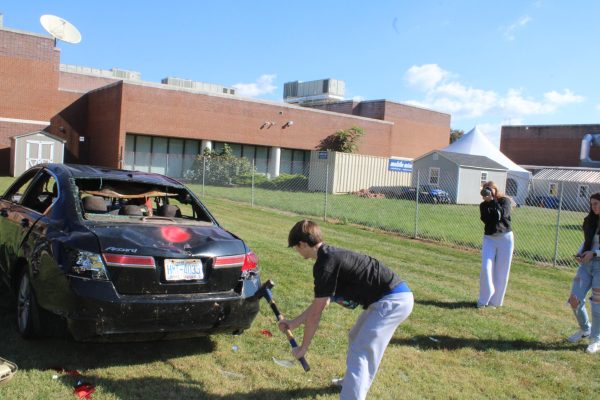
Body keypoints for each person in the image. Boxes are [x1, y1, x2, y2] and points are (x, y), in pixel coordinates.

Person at [279, 219, 413, 400]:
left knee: (362, 351)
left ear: (302, 244)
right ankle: (351, 382)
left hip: (392, 301)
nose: (296, 251)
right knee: (356, 336)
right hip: (386, 299)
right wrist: (293, 323)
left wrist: (303, 348)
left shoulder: (325, 264)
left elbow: (316, 314)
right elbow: (320, 303)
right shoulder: (328, 256)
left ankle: (352, 395)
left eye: (296, 247)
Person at [567, 192, 600, 353]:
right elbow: (587, 241)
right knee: (574, 299)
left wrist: (595, 254)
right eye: (592, 204)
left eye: (596, 203)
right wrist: (581, 253)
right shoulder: (589, 220)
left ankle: (596, 339)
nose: (594, 206)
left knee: (597, 304)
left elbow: (594, 249)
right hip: (586, 266)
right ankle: (585, 329)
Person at [477, 181, 514, 308]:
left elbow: (501, 215)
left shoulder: (505, 201)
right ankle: (483, 300)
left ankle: (495, 302)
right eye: (485, 189)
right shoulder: (483, 205)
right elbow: (486, 219)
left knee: (502, 271)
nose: (487, 191)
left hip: (505, 238)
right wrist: (488, 202)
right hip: (490, 238)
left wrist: (493, 201)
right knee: (486, 268)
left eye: (489, 189)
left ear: (495, 190)